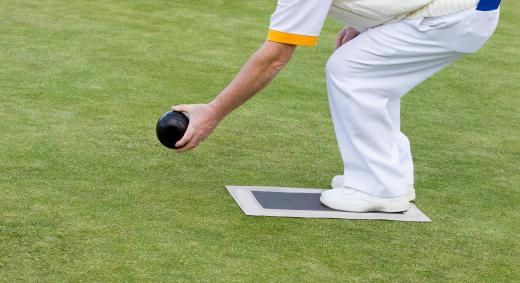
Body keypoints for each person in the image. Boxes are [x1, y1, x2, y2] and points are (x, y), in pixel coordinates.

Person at [171, 0, 501, 212]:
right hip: (465, 8)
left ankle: (381, 188)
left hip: (453, 15)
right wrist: (363, 23)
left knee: (351, 70)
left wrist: (212, 112)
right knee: (369, 72)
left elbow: (274, 58)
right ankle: (388, 177)